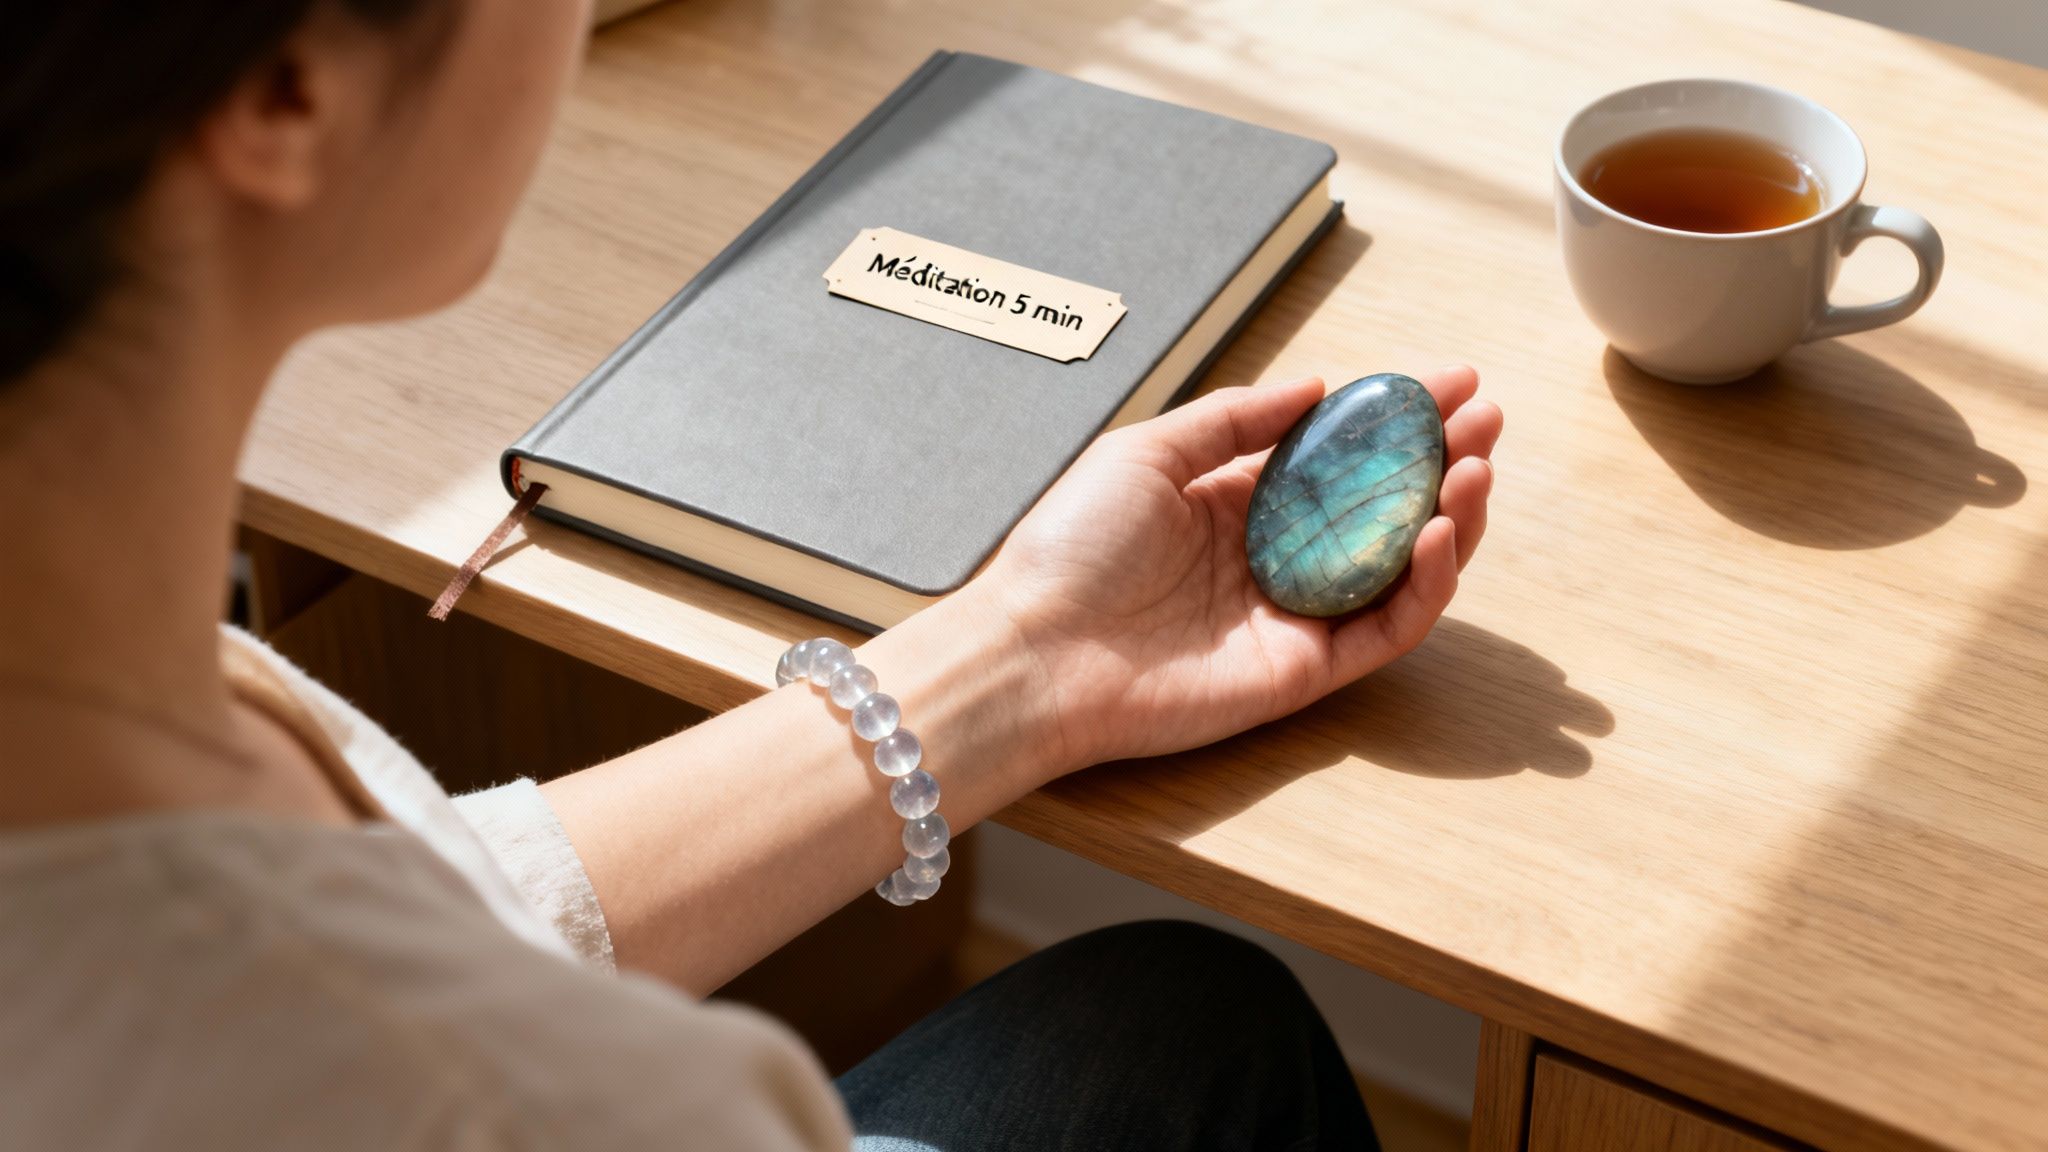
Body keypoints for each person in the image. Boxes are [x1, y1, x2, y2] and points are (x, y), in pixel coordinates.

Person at [0, 2, 1502, 1149]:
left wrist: (1025, 657)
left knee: (1175, 1022)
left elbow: (412, 894)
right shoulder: (518, 1093)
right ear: (289, 85)